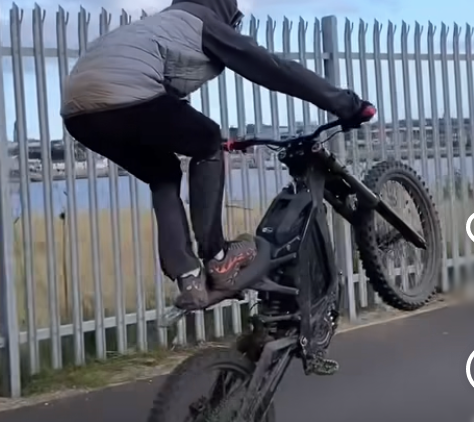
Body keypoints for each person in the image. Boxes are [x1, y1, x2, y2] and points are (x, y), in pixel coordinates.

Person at [61, 0, 367, 311]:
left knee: (163, 173)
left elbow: (158, 97)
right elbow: (275, 70)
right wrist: (345, 104)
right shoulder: (203, 21)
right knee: (208, 140)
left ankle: (188, 277)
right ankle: (218, 257)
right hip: (127, 94)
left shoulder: (156, 27)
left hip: (77, 113)